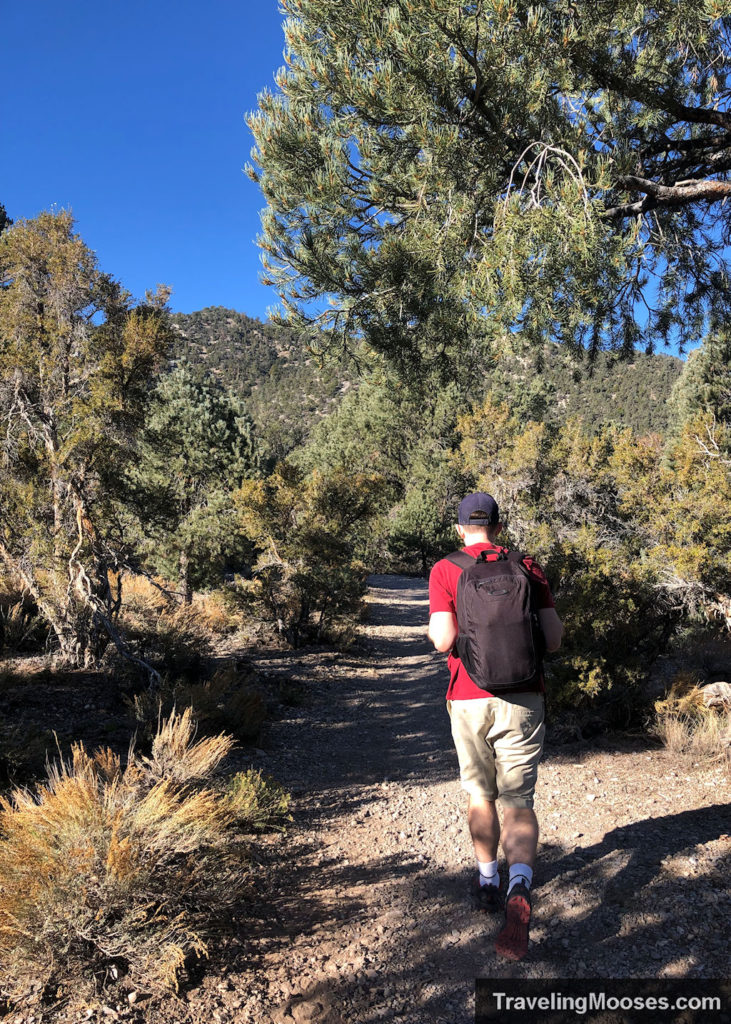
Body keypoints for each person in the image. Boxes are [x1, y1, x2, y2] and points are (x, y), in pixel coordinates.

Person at [427, 492, 563, 961]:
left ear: (460, 527)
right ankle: (519, 886)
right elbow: (555, 637)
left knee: (480, 795)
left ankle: (488, 881)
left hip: (468, 698)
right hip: (524, 695)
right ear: (499, 527)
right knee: (519, 801)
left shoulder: (446, 569)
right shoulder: (527, 565)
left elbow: (443, 638)